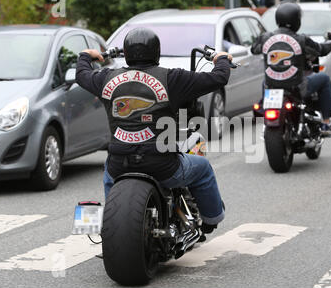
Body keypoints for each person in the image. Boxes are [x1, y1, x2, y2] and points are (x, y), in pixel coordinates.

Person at [76, 27, 233, 234]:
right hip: (163, 166)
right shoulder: (172, 79)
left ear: (127, 53)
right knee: (203, 167)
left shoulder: (106, 79)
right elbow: (219, 78)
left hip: (119, 164)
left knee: (108, 176)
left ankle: (110, 223)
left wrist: (85, 56)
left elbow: (82, 74)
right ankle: (211, 220)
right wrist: (221, 59)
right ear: (157, 52)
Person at [251, 2, 331, 136]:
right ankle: (326, 122)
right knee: (325, 79)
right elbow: (320, 50)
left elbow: (254, 49)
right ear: (296, 20)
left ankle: (264, 108)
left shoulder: (266, 38)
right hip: (296, 88)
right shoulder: (301, 40)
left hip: (271, 86)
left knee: (264, 81)